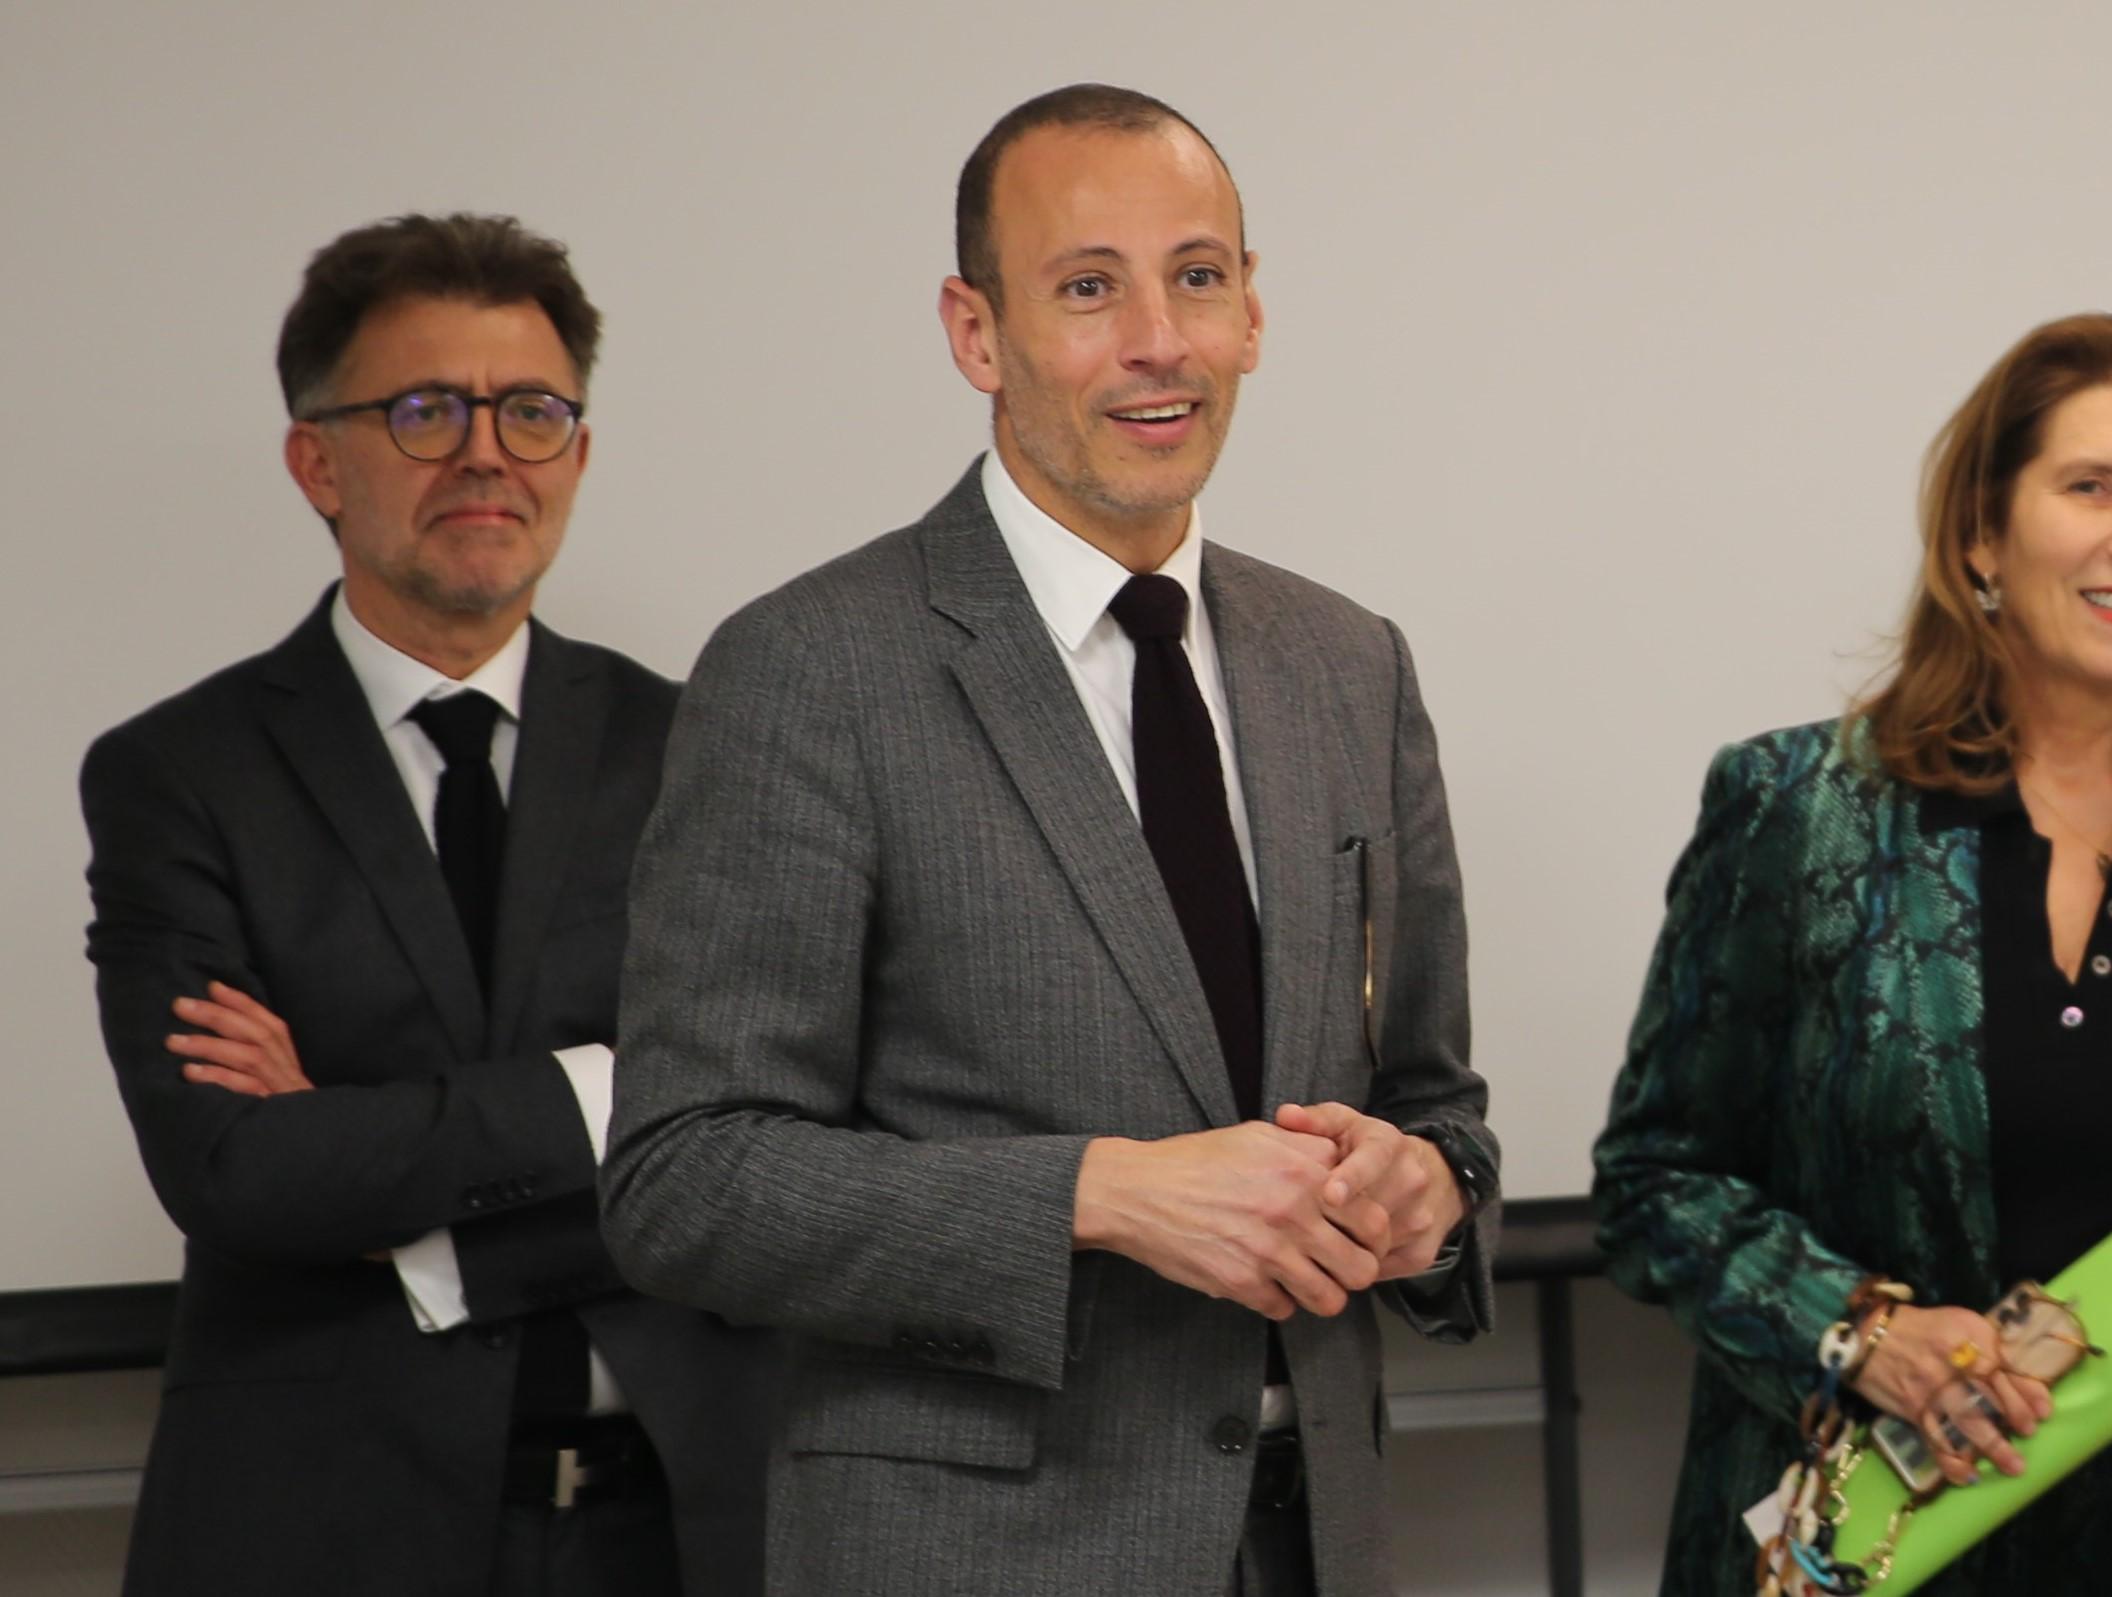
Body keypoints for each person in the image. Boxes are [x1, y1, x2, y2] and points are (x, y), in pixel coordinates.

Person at [600, 84, 1499, 1597]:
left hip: (1312, 1542)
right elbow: (684, 1181)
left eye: (1196, 277)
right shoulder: (809, 670)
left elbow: (1437, 1103)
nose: (1158, 339)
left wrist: (1427, 1191)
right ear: (974, 333)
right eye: (1089, 288)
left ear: (1252, 315)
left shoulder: (1352, 664)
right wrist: (1100, 1194)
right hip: (970, 1557)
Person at [1591, 313, 2112, 1595]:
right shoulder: (1798, 810)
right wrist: (1856, 1332)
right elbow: (1655, 1178)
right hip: (1888, 1552)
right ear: (1981, 532)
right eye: (2089, 485)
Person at [80, 213, 773, 1597]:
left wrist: (374, 1161)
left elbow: (763, 1146)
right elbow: (233, 1170)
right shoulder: (179, 774)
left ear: (576, 453)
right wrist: (607, 1088)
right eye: (421, 410)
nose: (483, 454)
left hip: (679, 1530)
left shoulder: (702, 747)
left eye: (529, 411)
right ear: (314, 461)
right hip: (319, 1530)